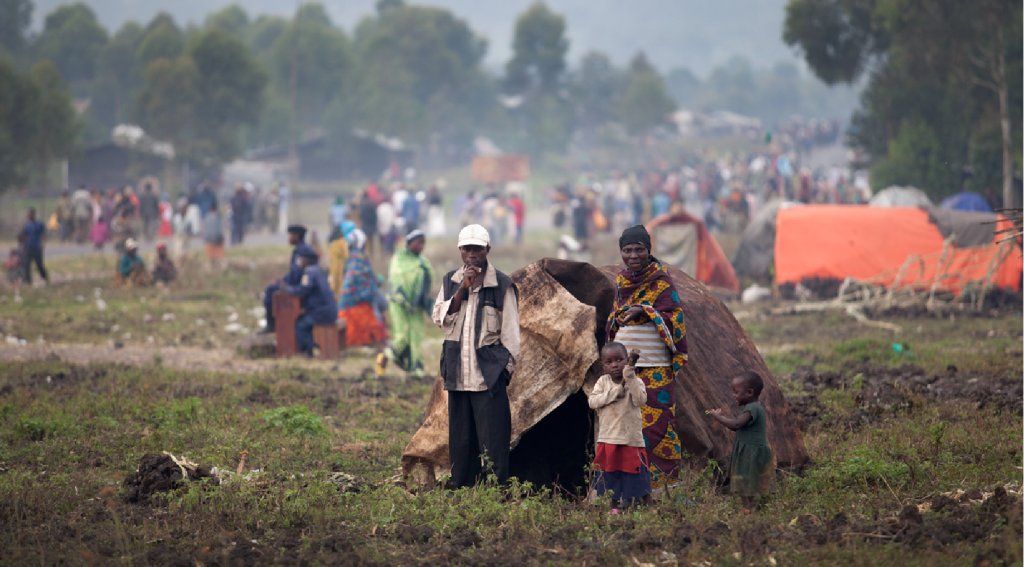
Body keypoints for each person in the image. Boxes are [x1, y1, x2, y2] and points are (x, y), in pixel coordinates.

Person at [432, 224, 520, 489]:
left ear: (487, 250)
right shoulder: (450, 282)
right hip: (458, 375)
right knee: (460, 439)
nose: (472, 254)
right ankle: (462, 487)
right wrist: (462, 288)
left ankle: (495, 491)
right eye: (467, 249)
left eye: (477, 249)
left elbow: (511, 335)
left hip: (487, 377)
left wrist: (503, 371)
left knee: (493, 439)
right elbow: (440, 319)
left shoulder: (502, 285)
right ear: (460, 250)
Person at [605, 225, 688, 489]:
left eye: (639, 249)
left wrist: (645, 311)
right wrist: (618, 317)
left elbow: (675, 317)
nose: (633, 255)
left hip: (656, 367)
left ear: (649, 250)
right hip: (625, 369)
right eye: (627, 250)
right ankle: (632, 486)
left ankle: (665, 487)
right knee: (625, 425)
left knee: (659, 425)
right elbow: (615, 313)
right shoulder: (621, 281)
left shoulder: (661, 279)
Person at [589, 343, 652, 511]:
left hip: (631, 439)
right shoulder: (603, 382)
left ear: (627, 360)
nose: (615, 365)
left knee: (639, 474)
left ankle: (649, 507)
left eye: (619, 360)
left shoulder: (635, 381)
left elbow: (640, 400)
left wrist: (630, 378)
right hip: (609, 438)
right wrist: (614, 393)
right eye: (609, 362)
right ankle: (614, 507)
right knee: (611, 475)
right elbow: (592, 401)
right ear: (603, 366)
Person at [710, 371, 774, 514]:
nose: (734, 395)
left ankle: (748, 511)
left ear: (750, 392)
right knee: (748, 483)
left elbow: (736, 425)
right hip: (750, 450)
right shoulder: (754, 407)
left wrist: (718, 417)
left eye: (736, 392)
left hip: (750, 452)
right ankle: (752, 509)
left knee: (745, 483)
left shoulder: (752, 408)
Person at [377, 230, 434, 377]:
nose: (421, 246)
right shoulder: (398, 259)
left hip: (416, 305)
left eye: (423, 243)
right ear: (409, 243)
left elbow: (426, 283)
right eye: (418, 242)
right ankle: (386, 356)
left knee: (416, 336)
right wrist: (403, 297)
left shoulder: (422, 262)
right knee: (402, 337)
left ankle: (417, 369)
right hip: (398, 303)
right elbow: (396, 281)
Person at [259, 225, 315, 334]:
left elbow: (298, 275)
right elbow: (294, 273)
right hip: (297, 283)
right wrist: (283, 279)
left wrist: (286, 284)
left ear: (297, 236)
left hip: (299, 286)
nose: (288, 238)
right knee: (273, 287)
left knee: (270, 290)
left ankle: (271, 324)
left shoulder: (302, 251)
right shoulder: (300, 249)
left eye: (290, 235)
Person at [283, 247, 338, 356]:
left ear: (308, 261)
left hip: (322, 313)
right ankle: (308, 350)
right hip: (330, 311)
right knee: (304, 322)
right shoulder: (318, 270)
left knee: (300, 327)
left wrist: (287, 289)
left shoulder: (310, 272)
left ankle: (313, 348)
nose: (300, 263)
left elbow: (304, 289)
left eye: (301, 260)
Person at [336, 229, 387, 346]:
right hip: (358, 299)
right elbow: (364, 279)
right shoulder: (360, 257)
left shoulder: (352, 257)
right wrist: (374, 285)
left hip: (348, 300)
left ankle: (378, 340)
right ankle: (378, 340)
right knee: (375, 304)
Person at [327, 221, 354, 300]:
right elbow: (347, 255)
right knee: (341, 287)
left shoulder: (332, 244)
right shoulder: (343, 243)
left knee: (334, 287)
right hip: (341, 268)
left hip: (333, 268)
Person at [21, 208, 48, 285]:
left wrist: (42, 244)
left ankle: (45, 277)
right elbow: (24, 236)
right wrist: (23, 247)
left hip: (36, 247)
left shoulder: (39, 224)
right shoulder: (26, 225)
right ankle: (28, 281)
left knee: (39, 265)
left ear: (33, 214)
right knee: (26, 265)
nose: (29, 216)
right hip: (28, 247)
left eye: (30, 214)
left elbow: (43, 234)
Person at [203, 202, 225, 270]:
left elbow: (205, 230)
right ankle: (222, 268)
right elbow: (220, 229)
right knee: (220, 257)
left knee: (210, 257)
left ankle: (209, 269)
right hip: (217, 240)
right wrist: (222, 237)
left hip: (208, 240)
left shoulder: (206, 216)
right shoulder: (217, 216)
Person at [359, 190, 378, 254]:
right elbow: (375, 216)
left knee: (365, 242)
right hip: (371, 226)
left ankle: (367, 254)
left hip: (365, 226)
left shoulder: (362, 205)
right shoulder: (372, 204)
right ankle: (371, 254)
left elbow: (360, 216)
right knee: (371, 242)